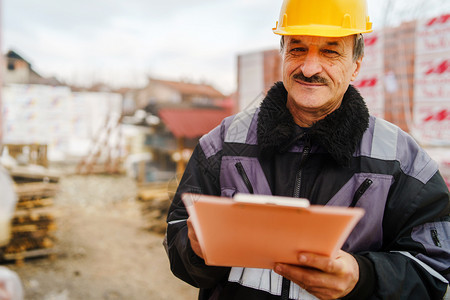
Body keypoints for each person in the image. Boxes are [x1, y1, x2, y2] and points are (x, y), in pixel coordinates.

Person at [164, 0, 450, 299]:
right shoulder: (221, 144)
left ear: (356, 65)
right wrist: (196, 249)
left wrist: (363, 278)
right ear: (282, 55)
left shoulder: (402, 160)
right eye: (297, 49)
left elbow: (433, 271)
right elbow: (178, 243)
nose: (310, 68)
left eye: (330, 51)